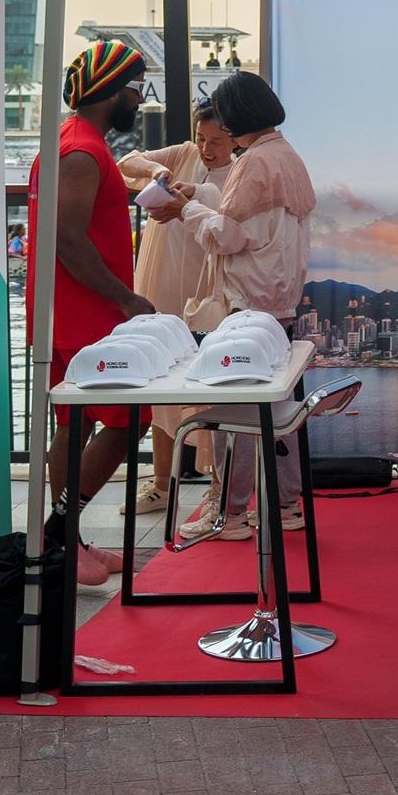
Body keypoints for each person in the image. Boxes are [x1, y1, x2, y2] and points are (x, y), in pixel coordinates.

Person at [26, 39, 178, 591]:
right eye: (136, 90)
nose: (138, 100)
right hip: (91, 318)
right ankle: (57, 537)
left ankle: (68, 543)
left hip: (65, 314)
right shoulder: (84, 151)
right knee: (126, 422)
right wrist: (126, 299)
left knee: (71, 422)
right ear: (112, 92)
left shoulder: (65, 143)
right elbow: (68, 238)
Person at [171, 73, 318, 543]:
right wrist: (203, 200)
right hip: (279, 302)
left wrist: (185, 211)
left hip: (246, 304)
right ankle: (288, 506)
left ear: (234, 116)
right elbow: (259, 224)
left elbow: (228, 235)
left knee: (228, 413)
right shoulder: (286, 155)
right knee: (278, 414)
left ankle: (228, 515)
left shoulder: (255, 162)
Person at [113, 101, 235, 517]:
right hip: (159, 283)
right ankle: (162, 483)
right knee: (160, 384)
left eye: (217, 141)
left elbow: (225, 215)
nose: (207, 149)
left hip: (202, 291)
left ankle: (218, 485)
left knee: (208, 390)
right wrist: (155, 173)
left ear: (235, 138)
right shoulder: (183, 153)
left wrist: (191, 195)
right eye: (203, 139)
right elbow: (128, 160)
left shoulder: (238, 174)